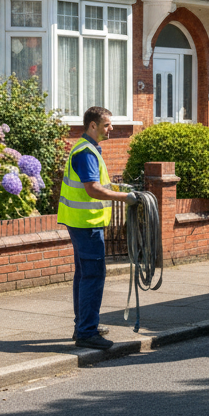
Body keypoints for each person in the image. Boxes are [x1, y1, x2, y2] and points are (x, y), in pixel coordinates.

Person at [59, 106, 139, 350]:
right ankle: (86, 332)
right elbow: (92, 189)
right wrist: (125, 198)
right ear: (92, 125)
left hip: (81, 222)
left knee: (84, 276)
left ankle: (84, 324)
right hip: (87, 225)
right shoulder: (86, 153)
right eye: (107, 125)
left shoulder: (86, 148)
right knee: (93, 277)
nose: (111, 128)